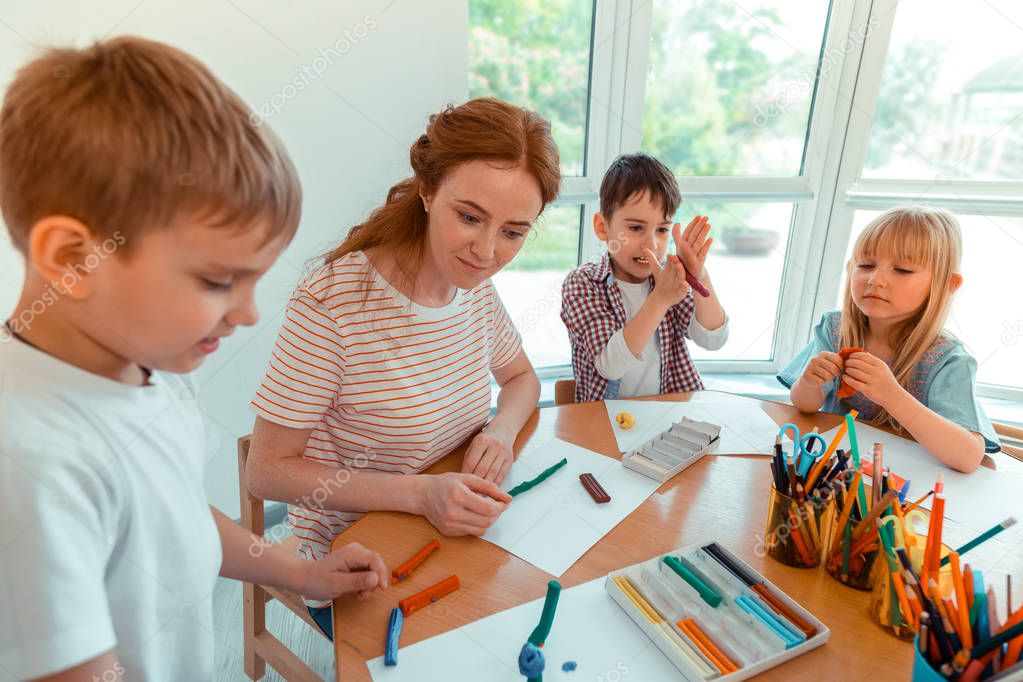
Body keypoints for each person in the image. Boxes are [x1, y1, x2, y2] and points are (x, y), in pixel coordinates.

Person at [0, 37, 388, 680]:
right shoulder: (30, 468)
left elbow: (172, 513)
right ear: (73, 259)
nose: (247, 314)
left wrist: (295, 568)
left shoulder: (143, 366)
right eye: (216, 282)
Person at [246, 97, 561, 637]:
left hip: (451, 527)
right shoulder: (333, 303)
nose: (486, 251)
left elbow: (522, 379)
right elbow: (266, 471)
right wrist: (419, 494)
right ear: (427, 190)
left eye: (513, 232)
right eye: (469, 217)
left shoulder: (475, 287)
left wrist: (503, 432)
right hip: (353, 558)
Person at [779, 207, 999, 472]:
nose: (876, 279)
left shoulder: (948, 360)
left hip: (906, 489)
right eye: (866, 265)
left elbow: (967, 457)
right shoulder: (836, 328)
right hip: (837, 477)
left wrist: (891, 396)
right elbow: (804, 405)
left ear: (947, 284)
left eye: (903, 270)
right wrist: (809, 383)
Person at [560, 152, 728, 403]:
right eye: (636, 228)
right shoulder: (583, 284)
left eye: (662, 230)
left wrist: (699, 275)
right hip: (605, 422)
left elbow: (713, 339)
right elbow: (610, 366)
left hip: (667, 418)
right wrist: (660, 299)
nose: (651, 244)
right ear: (602, 227)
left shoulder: (670, 278)